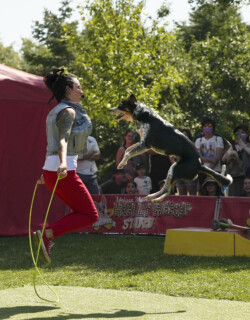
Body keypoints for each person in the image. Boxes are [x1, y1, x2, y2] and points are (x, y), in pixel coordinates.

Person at [34, 68, 99, 264]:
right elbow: (62, 139)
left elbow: (52, 142)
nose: (82, 91)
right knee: (90, 214)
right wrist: (62, 163)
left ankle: (49, 234)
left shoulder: (55, 110)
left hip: (53, 170)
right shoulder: (68, 111)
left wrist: (47, 172)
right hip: (63, 170)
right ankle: (48, 234)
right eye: (79, 87)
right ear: (69, 89)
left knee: (82, 212)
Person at [195, 117, 225, 190]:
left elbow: (217, 158)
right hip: (202, 171)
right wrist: (211, 160)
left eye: (210, 126)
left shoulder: (218, 139)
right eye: (205, 125)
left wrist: (209, 170)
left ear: (213, 128)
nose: (207, 127)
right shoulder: (199, 140)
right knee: (203, 193)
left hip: (215, 171)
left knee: (216, 192)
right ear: (202, 128)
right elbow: (198, 157)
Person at [222, 125, 250, 196]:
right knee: (233, 195)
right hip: (234, 175)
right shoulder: (233, 147)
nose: (240, 134)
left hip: (246, 176)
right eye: (238, 133)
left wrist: (243, 145)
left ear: (247, 135)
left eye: (243, 132)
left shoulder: (248, 145)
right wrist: (230, 151)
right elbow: (224, 159)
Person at [175, 128, 197, 195]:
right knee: (181, 194)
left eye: (185, 135)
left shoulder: (192, 145)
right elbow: (171, 157)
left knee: (192, 193)